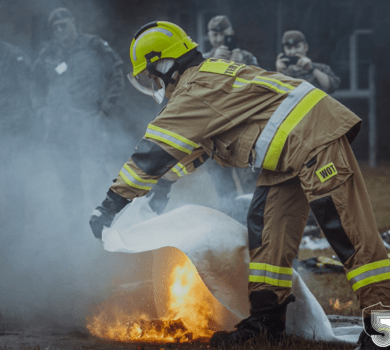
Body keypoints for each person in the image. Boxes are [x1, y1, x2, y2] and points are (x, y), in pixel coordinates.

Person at [89, 21, 390, 349]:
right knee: (265, 233)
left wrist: (110, 206)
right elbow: (198, 149)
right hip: (289, 154)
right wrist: (162, 189)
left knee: (350, 235)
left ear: (163, 64)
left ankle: (383, 328)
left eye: (151, 76)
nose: (153, 84)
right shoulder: (205, 79)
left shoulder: (193, 91)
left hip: (315, 140)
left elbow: (152, 154)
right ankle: (267, 322)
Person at [31, 8, 125, 210]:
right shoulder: (49, 52)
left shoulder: (94, 45)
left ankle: (102, 213)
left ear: (74, 23)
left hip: (89, 119)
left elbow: (116, 72)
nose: (59, 30)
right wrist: (41, 108)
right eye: (55, 27)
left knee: (95, 170)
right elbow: (36, 83)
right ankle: (75, 221)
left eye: (63, 25)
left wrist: (106, 109)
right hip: (59, 124)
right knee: (67, 174)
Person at [203, 15, 260, 218]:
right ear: (209, 35)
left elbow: (260, 89)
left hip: (242, 130)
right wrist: (214, 63)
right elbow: (200, 93)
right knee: (224, 191)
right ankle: (232, 227)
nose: (218, 38)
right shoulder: (203, 60)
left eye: (222, 33)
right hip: (214, 133)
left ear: (231, 34)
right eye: (214, 33)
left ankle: (254, 228)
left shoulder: (246, 58)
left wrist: (243, 68)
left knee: (249, 186)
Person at [275, 30, 341, 94]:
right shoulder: (283, 72)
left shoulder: (321, 68)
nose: (293, 52)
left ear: (305, 47)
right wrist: (279, 71)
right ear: (284, 50)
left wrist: (312, 69)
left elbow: (332, 87)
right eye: (289, 48)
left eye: (297, 47)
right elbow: (275, 94)